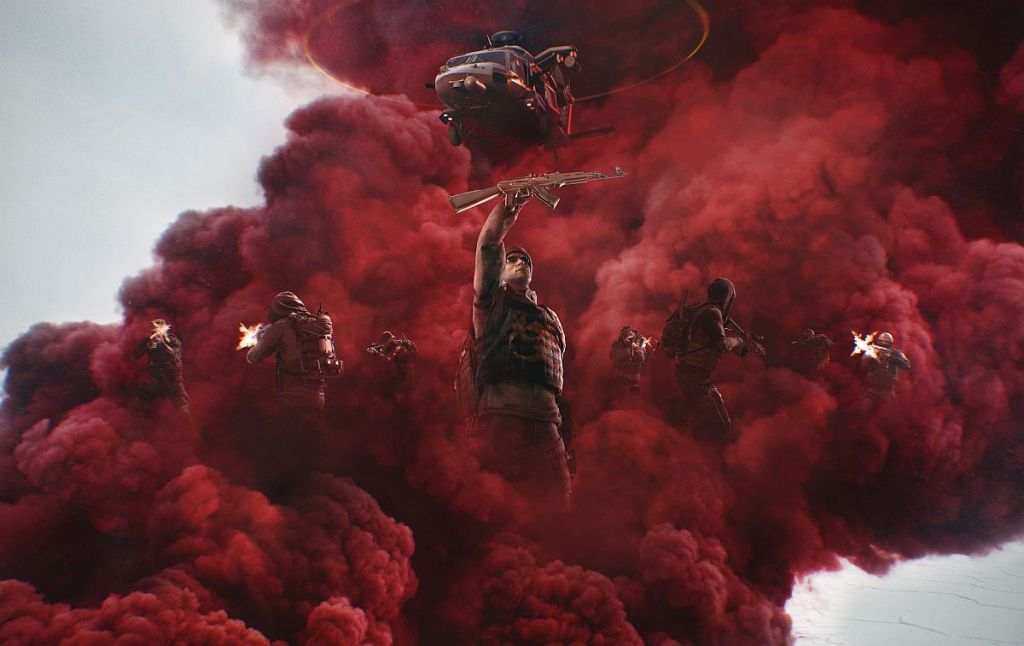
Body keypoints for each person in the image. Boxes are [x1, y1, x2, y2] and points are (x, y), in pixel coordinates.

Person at [472, 192, 572, 507]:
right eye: (512, 260)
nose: (519, 263)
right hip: (504, 418)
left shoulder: (550, 317)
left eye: (525, 260)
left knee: (560, 504)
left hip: (546, 420)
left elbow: (555, 371)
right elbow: (489, 246)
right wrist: (509, 207)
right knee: (495, 503)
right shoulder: (492, 304)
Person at [662, 278, 753, 441]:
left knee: (701, 422)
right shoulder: (712, 313)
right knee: (722, 426)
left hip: (684, 373)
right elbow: (722, 344)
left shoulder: (696, 311)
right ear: (727, 297)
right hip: (697, 378)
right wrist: (739, 341)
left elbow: (708, 339)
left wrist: (744, 347)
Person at [133, 319, 190, 414]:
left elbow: (174, 355)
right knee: (139, 403)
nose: (154, 330)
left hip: (172, 380)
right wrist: (147, 345)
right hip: (156, 380)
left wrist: (162, 343)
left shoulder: (172, 340)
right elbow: (135, 356)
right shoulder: (149, 341)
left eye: (157, 328)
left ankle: (189, 423)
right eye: (153, 329)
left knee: (182, 407)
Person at [860, 331, 911, 414]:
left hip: (887, 390)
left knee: (892, 412)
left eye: (886, 342)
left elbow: (907, 365)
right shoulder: (872, 351)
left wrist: (893, 358)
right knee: (864, 409)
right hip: (872, 389)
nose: (884, 344)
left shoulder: (896, 353)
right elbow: (864, 366)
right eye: (882, 342)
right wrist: (871, 357)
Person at [609, 326, 654, 399]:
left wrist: (639, 348)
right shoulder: (617, 345)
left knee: (634, 395)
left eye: (632, 339)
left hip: (633, 376)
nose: (631, 341)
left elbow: (642, 359)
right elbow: (616, 357)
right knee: (622, 395)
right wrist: (632, 348)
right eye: (629, 339)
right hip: (622, 376)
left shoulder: (635, 346)